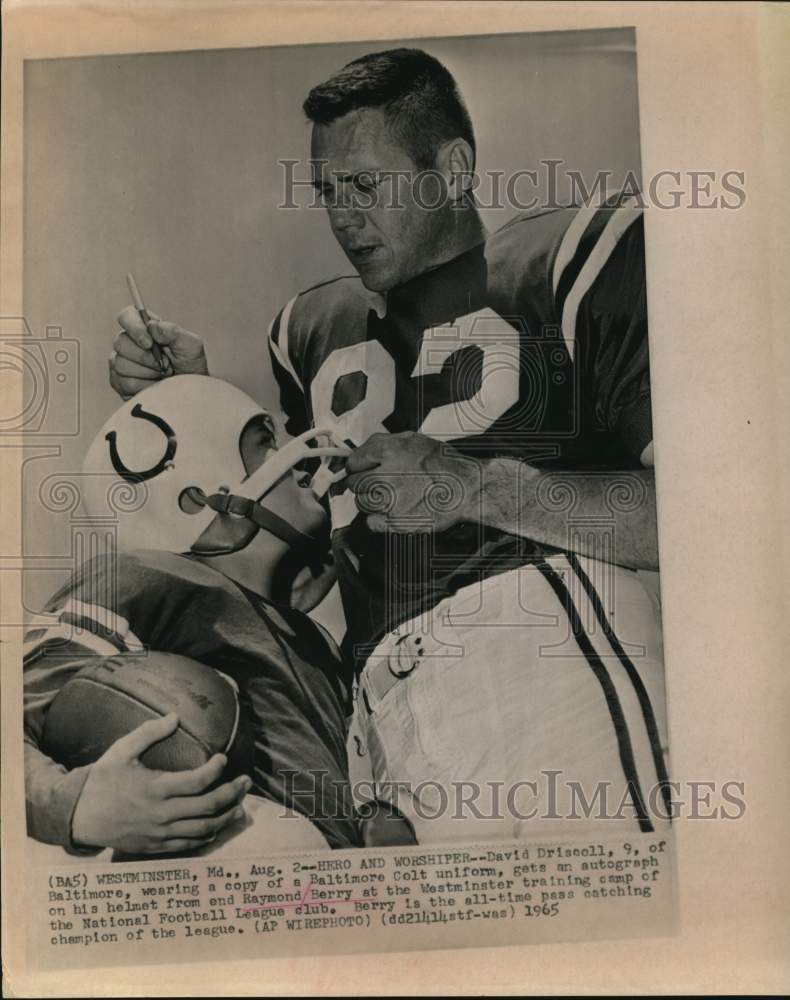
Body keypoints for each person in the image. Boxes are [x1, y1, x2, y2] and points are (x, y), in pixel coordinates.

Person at [108, 49, 669, 841]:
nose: (343, 218)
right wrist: (189, 403)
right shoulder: (308, 332)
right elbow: (301, 572)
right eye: (328, 193)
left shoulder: (568, 259)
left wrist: (474, 488)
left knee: (610, 936)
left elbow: (700, 522)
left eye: (366, 186)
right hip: (382, 716)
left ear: (453, 168)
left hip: (539, 653)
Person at [24, 374, 414, 857]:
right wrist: (79, 808)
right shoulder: (140, 575)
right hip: (240, 869)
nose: (296, 460)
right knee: (279, 837)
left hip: (327, 892)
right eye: (265, 443)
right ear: (196, 498)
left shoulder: (314, 638)